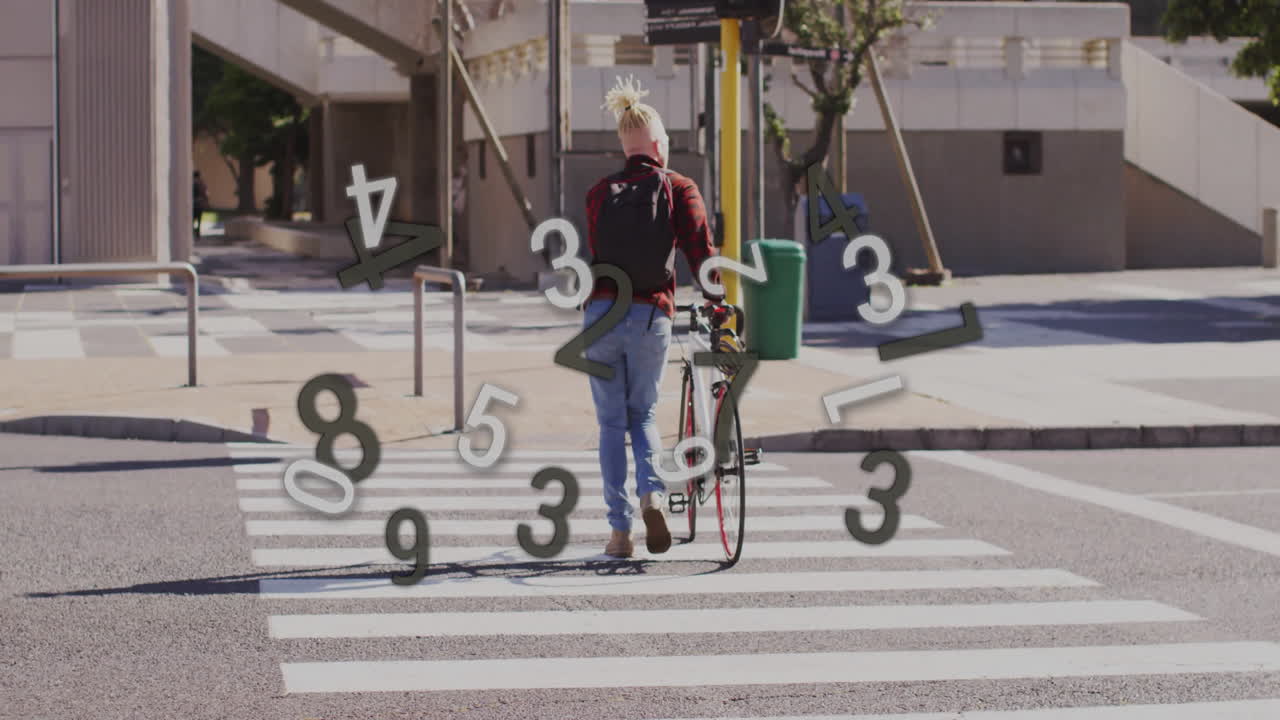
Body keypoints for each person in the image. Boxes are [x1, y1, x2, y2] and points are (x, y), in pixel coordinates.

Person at [584, 75, 724, 559]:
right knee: (642, 413)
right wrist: (719, 303)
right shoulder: (678, 187)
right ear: (659, 145)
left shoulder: (599, 193)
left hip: (600, 315)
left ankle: (619, 533)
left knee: (609, 424)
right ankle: (653, 493)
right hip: (649, 314)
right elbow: (701, 253)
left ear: (625, 147)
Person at [192, 171, 209, 238]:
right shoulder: (203, 184)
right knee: (199, 219)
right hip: (200, 204)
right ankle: (198, 232)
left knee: (192, 219)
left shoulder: (192, 183)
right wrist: (206, 203)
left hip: (194, 204)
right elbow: (206, 194)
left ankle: (194, 231)